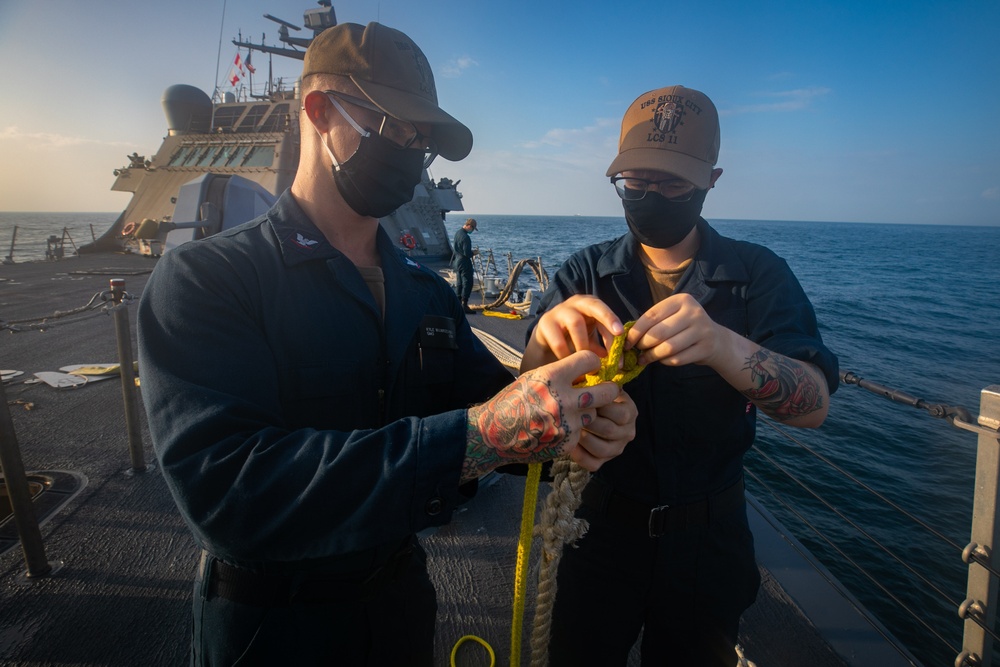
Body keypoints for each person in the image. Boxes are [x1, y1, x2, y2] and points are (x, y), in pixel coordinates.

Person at [137, 22, 637, 666]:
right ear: (318, 110)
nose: (408, 150)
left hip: (399, 609)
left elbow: (496, 417)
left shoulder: (426, 296)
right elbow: (228, 493)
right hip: (271, 629)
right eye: (393, 128)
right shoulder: (206, 280)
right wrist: (485, 433)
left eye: (420, 140)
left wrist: (571, 401)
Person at [520, 85, 839, 666]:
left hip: (707, 544)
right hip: (595, 531)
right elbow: (528, 401)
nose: (651, 196)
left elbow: (813, 403)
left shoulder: (758, 275)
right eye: (635, 182)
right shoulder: (583, 273)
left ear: (711, 180)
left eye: (672, 183)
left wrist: (722, 345)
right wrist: (543, 342)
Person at [452, 217, 478, 312]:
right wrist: (474, 253)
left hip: (457, 261)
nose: (472, 231)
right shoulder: (466, 237)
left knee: (459, 283)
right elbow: (467, 253)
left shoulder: (457, 233)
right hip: (464, 262)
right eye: (472, 228)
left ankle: (457, 303)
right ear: (469, 226)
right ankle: (464, 305)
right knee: (468, 283)